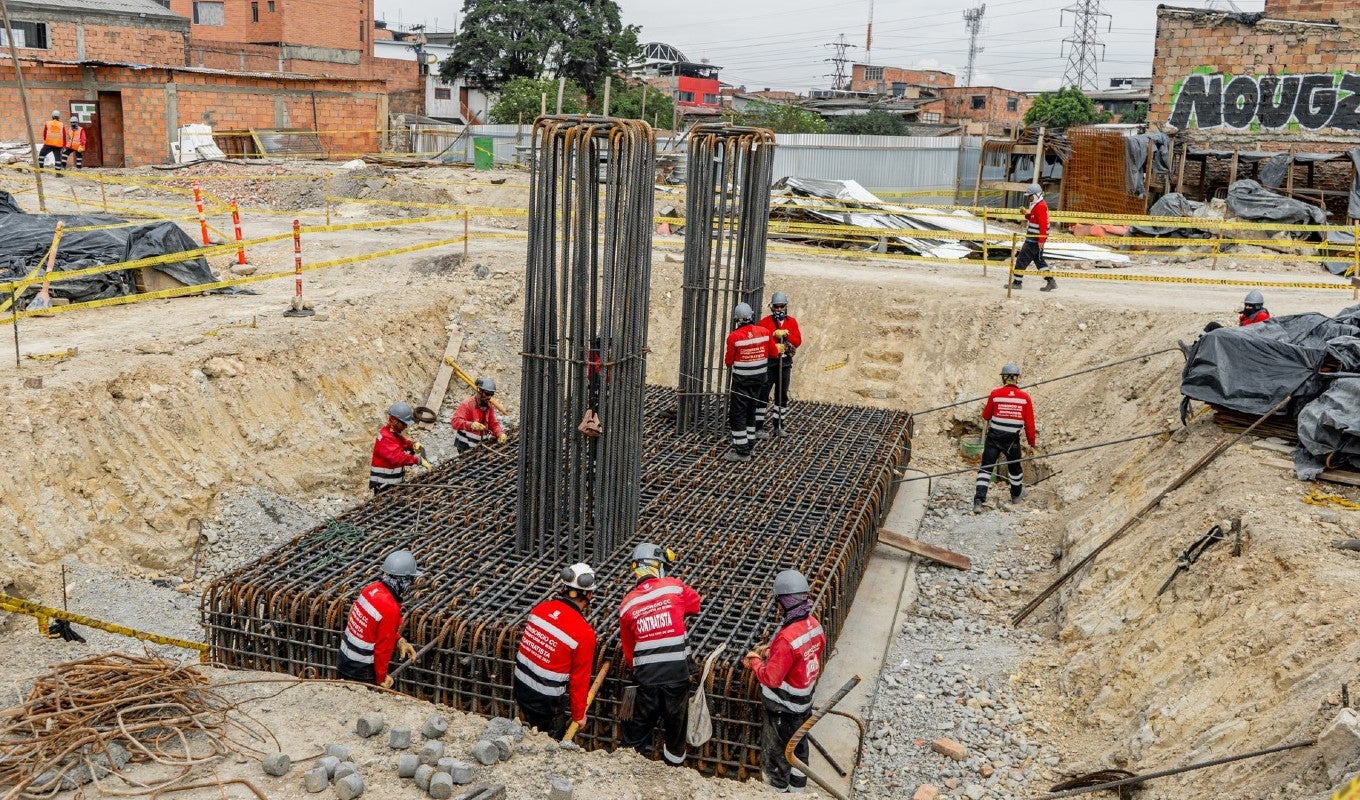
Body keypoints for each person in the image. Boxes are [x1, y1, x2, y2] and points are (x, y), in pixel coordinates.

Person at [618, 542, 701, 767]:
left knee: (639, 725)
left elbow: (629, 651)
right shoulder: (673, 587)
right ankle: (672, 769)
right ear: (659, 566)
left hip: (647, 678)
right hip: (676, 675)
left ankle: (630, 766)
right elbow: (695, 605)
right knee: (676, 728)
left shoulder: (627, 604)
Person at [743, 569, 825, 794]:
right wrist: (778, 656)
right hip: (804, 704)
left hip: (783, 709)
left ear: (785, 602)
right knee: (799, 751)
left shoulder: (786, 638)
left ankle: (777, 792)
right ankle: (798, 792)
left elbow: (771, 678)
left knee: (777, 757)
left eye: (778, 601)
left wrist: (755, 663)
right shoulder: (814, 625)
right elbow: (807, 654)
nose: (777, 606)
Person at [513, 563, 599, 739]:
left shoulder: (540, 609)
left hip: (520, 689)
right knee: (552, 742)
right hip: (545, 703)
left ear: (562, 588)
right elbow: (579, 681)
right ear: (589, 595)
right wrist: (579, 715)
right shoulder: (584, 633)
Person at [337, 549, 421, 687]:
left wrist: (399, 640)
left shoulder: (370, 590)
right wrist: (381, 678)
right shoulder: (391, 608)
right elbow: (383, 648)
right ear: (403, 581)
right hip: (361, 668)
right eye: (410, 580)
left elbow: (373, 627)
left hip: (344, 659)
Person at [973, 363, 1036, 514]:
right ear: (1016, 379)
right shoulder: (1025, 398)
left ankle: (978, 500)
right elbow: (1029, 424)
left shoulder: (995, 394)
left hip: (994, 437)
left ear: (1004, 379)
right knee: (1015, 468)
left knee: (986, 467)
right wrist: (1032, 442)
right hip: (1011, 440)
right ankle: (1015, 496)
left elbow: (986, 416)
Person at [724, 302, 781, 462]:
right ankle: (750, 445)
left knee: (737, 415)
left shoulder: (734, 337)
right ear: (752, 316)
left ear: (737, 320)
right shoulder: (764, 332)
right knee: (751, 412)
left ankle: (742, 452)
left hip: (742, 382)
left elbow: (728, 362)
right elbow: (774, 354)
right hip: (760, 381)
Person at [755, 291, 803, 439]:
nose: (779, 309)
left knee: (781, 395)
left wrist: (787, 335)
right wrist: (773, 338)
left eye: (782, 306)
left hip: (785, 364)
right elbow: (759, 337)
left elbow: (798, 341)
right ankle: (758, 427)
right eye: (777, 307)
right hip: (770, 363)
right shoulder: (765, 322)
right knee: (763, 393)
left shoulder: (792, 322)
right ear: (772, 307)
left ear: (786, 306)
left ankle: (779, 425)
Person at [370, 402, 428, 494]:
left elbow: (401, 442)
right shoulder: (385, 437)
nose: (406, 426)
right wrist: (417, 460)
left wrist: (412, 445)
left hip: (392, 483)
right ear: (394, 420)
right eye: (404, 423)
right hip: (384, 485)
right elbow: (398, 458)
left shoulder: (391, 433)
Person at [1009, 184, 1055, 292]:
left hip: (1033, 240)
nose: (1029, 198)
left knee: (1021, 259)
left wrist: (1041, 240)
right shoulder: (1038, 205)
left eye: (1030, 196)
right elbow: (1034, 218)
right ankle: (1051, 281)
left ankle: (1017, 282)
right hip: (1035, 239)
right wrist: (1026, 214)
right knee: (1039, 261)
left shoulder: (1041, 206)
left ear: (1036, 195)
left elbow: (1043, 225)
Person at [451, 376, 506, 455]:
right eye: (487, 394)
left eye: (491, 394)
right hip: (465, 445)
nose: (489, 397)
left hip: (480, 446)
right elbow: (455, 421)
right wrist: (471, 425)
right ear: (479, 391)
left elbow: (493, 424)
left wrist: (500, 433)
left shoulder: (489, 406)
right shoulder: (467, 404)